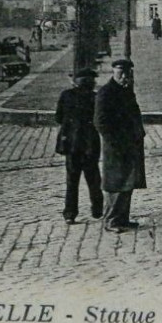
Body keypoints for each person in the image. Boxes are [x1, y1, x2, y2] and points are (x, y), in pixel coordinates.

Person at [94, 57, 145, 232]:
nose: (124, 77)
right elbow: (100, 122)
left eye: (127, 74)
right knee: (115, 184)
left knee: (127, 182)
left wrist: (139, 134)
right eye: (121, 73)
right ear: (114, 72)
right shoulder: (106, 93)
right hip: (116, 147)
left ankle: (122, 218)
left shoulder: (127, 92)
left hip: (130, 145)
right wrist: (115, 142)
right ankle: (110, 221)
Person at [54, 68, 104, 223]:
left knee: (72, 180)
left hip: (71, 143)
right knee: (94, 178)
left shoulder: (66, 96)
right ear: (91, 83)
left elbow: (58, 117)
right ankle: (97, 210)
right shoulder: (95, 98)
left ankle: (70, 214)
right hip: (90, 144)